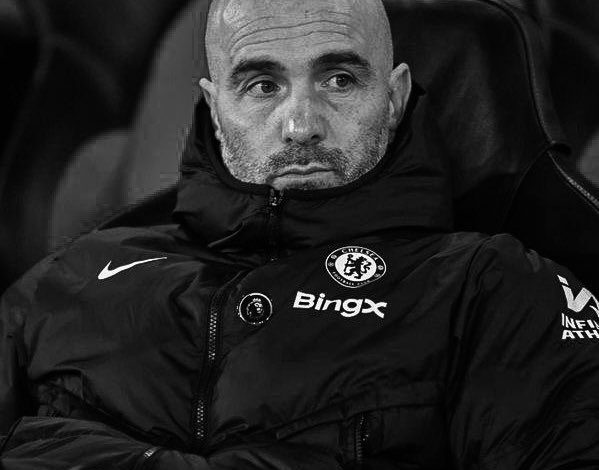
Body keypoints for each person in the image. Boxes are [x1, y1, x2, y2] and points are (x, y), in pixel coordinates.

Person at [1, 0, 599, 468]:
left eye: (338, 79)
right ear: (215, 109)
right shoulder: (73, 274)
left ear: (393, 98)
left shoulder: (489, 288)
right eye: (262, 85)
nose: (300, 125)